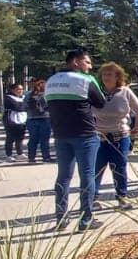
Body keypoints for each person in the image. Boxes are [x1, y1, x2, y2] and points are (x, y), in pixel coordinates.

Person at [46, 50, 107, 232]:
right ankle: (85, 219)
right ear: (75, 62)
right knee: (87, 175)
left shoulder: (51, 81)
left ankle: (61, 218)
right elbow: (101, 103)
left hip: (61, 135)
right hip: (85, 134)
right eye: (87, 62)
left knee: (63, 176)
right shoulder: (85, 80)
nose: (90, 66)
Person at [93, 62, 138, 210]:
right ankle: (93, 199)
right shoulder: (97, 92)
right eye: (104, 74)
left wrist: (137, 127)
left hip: (120, 136)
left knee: (119, 168)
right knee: (97, 168)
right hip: (99, 137)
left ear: (118, 77)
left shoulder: (125, 92)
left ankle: (122, 198)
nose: (106, 77)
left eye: (110, 74)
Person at [25, 78, 53, 164]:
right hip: (45, 118)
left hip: (31, 118)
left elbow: (24, 105)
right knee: (44, 139)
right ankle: (46, 157)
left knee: (33, 139)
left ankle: (31, 157)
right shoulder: (47, 95)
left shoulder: (28, 94)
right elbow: (50, 106)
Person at [2, 83, 28, 162]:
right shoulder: (8, 98)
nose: (20, 91)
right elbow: (17, 107)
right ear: (13, 90)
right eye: (18, 89)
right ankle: (8, 155)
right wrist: (23, 106)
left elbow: (26, 106)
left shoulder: (23, 97)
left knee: (20, 138)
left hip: (22, 120)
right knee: (10, 138)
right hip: (11, 120)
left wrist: (23, 106)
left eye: (21, 89)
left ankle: (20, 153)